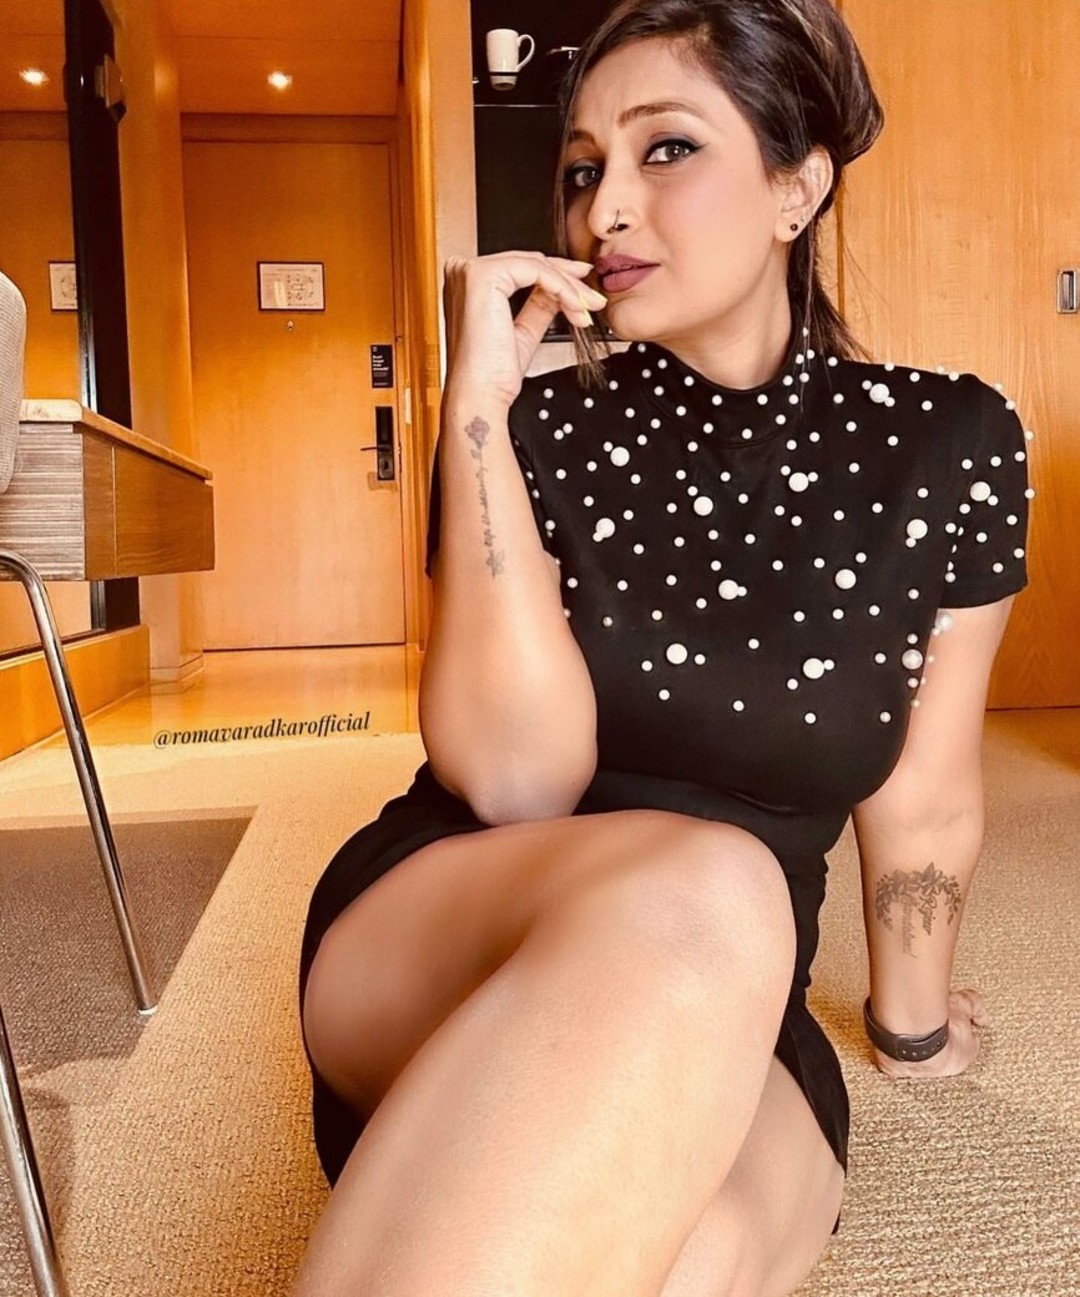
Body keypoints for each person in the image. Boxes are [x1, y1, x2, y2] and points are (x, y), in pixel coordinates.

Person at [292, 1, 1032, 1292]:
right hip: (462, 916)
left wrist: (912, 1028)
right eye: (584, 170)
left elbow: (923, 790)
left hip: (736, 995)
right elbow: (515, 780)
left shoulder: (948, 441)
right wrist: (480, 410)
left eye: (666, 150)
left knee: (697, 1252)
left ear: (798, 187)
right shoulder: (534, 426)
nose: (606, 209)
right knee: (719, 883)